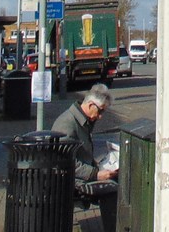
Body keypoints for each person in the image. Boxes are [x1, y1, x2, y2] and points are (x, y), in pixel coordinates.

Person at [51, 83, 117, 232]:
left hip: (78, 176)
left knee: (116, 179)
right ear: (91, 104)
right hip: (70, 180)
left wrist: (99, 166)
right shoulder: (67, 123)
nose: (100, 117)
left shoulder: (82, 120)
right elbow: (65, 161)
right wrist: (96, 174)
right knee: (113, 188)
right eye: (100, 111)